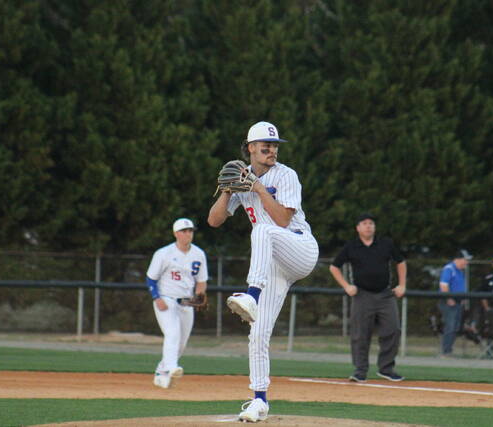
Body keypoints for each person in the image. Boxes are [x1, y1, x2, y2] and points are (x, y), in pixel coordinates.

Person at [208, 121, 319, 423]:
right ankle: (259, 401)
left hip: (299, 248)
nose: (272, 149)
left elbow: (283, 220)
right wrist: (227, 192)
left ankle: (252, 295)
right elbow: (214, 221)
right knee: (257, 334)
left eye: (275, 145)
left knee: (263, 231)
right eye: (265, 145)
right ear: (250, 148)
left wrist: (257, 187)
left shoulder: (286, 175)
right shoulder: (242, 177)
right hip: (272, 265)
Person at [329, 213, 407, 383]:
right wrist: (346, 286)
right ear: (358, 228)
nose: (368, 226)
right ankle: (360, 371)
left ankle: (386, 369)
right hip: (362, 295)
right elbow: (334, 267)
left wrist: (402, 285)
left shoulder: (385, 244)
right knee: (360, 334)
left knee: (392, 330)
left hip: (385, 295)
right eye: (364, 223)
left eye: (371, 223)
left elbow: (400, 262)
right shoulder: (352, 246)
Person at [145, 218, 208, 388]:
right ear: (176, 233)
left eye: (190, 231)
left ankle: (162, 371)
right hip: (166, 299)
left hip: (187, 302)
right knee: (173, 333)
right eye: (184, 231)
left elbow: (201, 281)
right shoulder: (163, 253)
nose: (188, 234)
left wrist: (199, 296)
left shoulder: (198, 254)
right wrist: (157, 298)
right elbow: (151, 279)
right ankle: (172, 367)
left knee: (181, 343)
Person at [438, 249, 472, 357]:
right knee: (451, 326)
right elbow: (443, 285)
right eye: (465, 260)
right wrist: (449, 298)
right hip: (448, 301)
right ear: (458, 259)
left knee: (456, 327)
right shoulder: (449, 268)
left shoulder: (460, 271)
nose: (466, 262)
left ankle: (448, 350)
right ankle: (445, 352)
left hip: (457, 302)